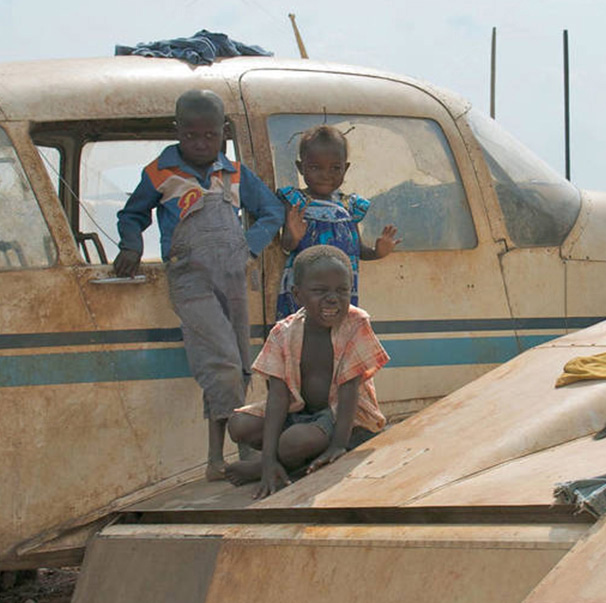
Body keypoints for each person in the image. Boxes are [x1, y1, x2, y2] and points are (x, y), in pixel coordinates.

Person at [114, 89, 284, 481]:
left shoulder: (235, 172)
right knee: (221, 361)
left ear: (223, 133)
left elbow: (271, 211)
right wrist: (131, 244)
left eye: (209, 136)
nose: (200, 144)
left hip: (233, 274)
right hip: (189, 277)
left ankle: (215, 461)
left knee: (238, 364)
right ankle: (241, 451)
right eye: (190, 136)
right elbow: (132, 214)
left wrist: (250, 247)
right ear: (177, 132)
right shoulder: (160, 171)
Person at [226, 245, 390, 498]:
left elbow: (349, 393)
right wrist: (269, 457)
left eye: (342, 290)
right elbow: (278, 398)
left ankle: (273, 466)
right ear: (298, 295)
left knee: (294, 443)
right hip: (300, 411)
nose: (333, 298)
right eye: (319, 291)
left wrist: (337, 446)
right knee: (238, 425)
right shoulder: (284, 333)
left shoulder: (355, 324)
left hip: (343, 417)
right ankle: (273, 463)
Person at [274, 125, 400, 319]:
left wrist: (377, 252)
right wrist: (294, 236)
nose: (326, 175)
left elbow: (358, 249)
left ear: (346, 168)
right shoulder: (296, 203)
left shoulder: (349, 207)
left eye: (335, 168)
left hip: (340, 293)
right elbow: (287, 246)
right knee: (303, 338)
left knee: (337, 338)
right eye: (316, 167)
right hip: (307, 293)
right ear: (301, 167)